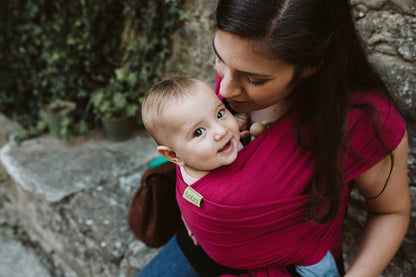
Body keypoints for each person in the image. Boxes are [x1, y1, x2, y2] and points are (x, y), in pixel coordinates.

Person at [135, 0, 410, 276]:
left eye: (254, 79)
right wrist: (190, 205)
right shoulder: (234, 84)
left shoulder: (364, 122)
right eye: (219, 57)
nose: (226, 88)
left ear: (311, 65)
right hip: (197, 251)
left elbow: (390, 214)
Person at [140, 77, 340, 277]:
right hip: (245, 251)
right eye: (199, 132)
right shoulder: (226, 191)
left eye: (220, 114)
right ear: (173, 156)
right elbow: (193, 198)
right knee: (320, 267)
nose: (221, 131)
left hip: (217, 248)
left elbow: (190, 195)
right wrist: (193, 218)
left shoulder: (197, 156)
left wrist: (255, 135)